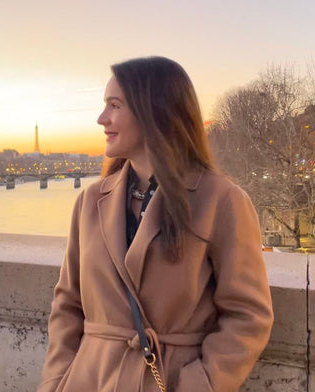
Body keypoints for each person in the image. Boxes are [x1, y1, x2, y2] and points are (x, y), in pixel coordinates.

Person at [38, 56, 274, 392]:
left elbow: (248, 315)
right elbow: (67, 305)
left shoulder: (221, 201)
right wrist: (57, 382)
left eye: (114, 106)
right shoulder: (90, 201)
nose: (101, 119)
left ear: (153, 112)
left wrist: (200, 383)